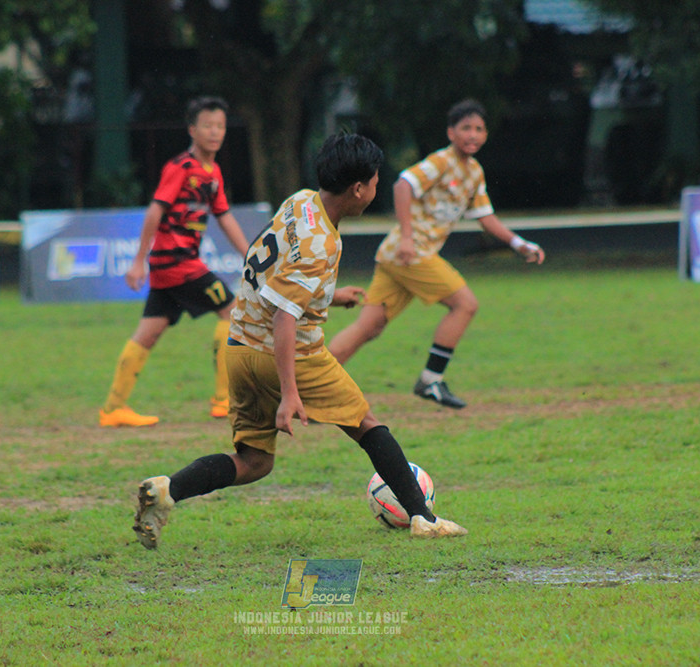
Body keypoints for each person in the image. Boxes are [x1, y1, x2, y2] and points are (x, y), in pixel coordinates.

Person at [133, 133, 468, 547]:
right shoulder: (322, 244)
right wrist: (290, 392)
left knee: (255, 462)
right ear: (358, 188)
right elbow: (285, 316)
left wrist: (330, 295)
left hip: (239, 349)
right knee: (366, 424)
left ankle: (168, 491)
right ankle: (423, 516)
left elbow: (281, 273)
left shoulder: (300, 201)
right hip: (289, 353)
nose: (377, 188)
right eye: (375, 181)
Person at [327, 99, 545, 409]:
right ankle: (431, 381)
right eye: (466, 128)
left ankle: (310, 388)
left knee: (369, 326)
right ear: (451, 132)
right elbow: (403, 185)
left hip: (396, 256)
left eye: (479, 129)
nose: (473, 134)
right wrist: (406, 237)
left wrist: (519, 243)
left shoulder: (474, 172)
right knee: (465, 304)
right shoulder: (441, 162)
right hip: (411, 253)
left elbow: (486, 217)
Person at [99, 96, 249, 427]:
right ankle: (223, 401)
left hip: (172, 267)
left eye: (221, 126)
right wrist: (138, 261)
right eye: (208, 126)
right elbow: (155, 210)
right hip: (178, 262)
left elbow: (224, 217)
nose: (215, 132)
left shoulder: (214, 173)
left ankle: (113, 409)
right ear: (192, 130)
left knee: (147, 333)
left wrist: (250, 254)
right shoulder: (180, 168)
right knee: (233, 310)